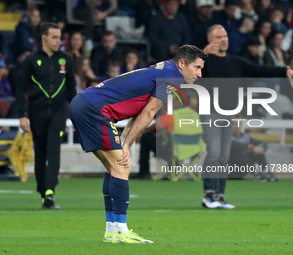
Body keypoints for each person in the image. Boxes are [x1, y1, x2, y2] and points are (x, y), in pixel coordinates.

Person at [69, 45, 207, 243]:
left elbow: (141, 113)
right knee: (122, 166)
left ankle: (111, 231)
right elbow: (149, 112)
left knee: (113, 167)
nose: (199, 74)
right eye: (197, 67)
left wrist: (125, 143)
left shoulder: (165, 69)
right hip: (94, 109)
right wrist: (125, 147)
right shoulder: (173, 76)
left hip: (84, 104)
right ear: (182, 63)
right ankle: (121, 231)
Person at [202, 24, 293, 209]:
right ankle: (208, 194)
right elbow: (187, 70)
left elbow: (260, 69)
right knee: (214, 152)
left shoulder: (235, 62)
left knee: (223, 156)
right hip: (209, 111)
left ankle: (219, 197)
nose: (224, 39)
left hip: (229, 113)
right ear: (210, 41)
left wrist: (284, 70)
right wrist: (202, 54)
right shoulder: (205, 61)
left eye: (225, 36)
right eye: (219, 37)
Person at [16, 23, 76, 210]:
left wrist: (75, 114)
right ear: (44, 38)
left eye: (60, 37)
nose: (59, 41)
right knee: (40, 153)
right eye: (55, 37)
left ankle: (50, 191)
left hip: (58, 111)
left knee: (53, 149)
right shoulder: (31, 61)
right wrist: (22, 115)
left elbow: (71, 90)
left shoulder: (65, 59)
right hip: (37, 112)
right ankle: (44, 193)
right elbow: (20, 89)